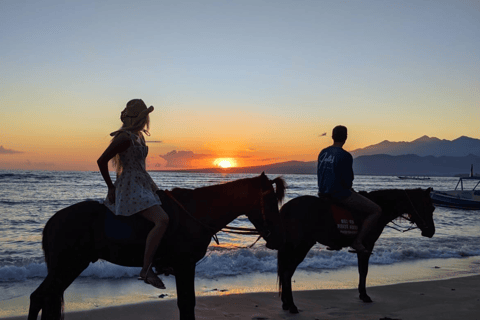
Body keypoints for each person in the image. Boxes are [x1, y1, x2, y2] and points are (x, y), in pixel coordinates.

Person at [98, 99, 169, 289]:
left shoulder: (139, 136)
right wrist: (110, 187)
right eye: (144, 115)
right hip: (129, 186)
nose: (147, 119)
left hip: (142, 182)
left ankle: (161, 258)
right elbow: (101, 160)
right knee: (162, 220)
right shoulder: (125, 138)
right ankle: (146, 270)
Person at [317, 125, 381, 254]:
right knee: (376, 210)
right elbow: (348, 180)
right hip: (339, 194)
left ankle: (335, 240)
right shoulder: (345, 156)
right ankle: (357, 242)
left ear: (332, 136)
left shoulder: (323, 152)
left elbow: (320, 173)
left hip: (322, 193)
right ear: (346, 137)